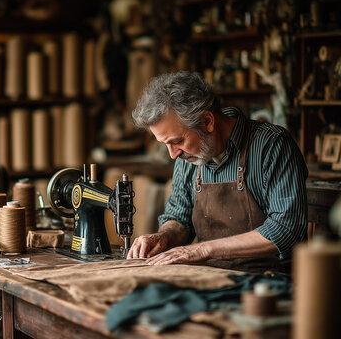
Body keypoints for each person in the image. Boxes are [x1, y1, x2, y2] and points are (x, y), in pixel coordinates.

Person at [127, 71, 308, 271]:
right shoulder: (187, 158)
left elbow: (286, 230)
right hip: (211, 275)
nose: (172, 155)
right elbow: (179, 218)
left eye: (177, 141)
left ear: (207, 121)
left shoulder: (272, 146)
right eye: (165, 145)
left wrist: (202, 250)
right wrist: (163, 237)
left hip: (268, 282)